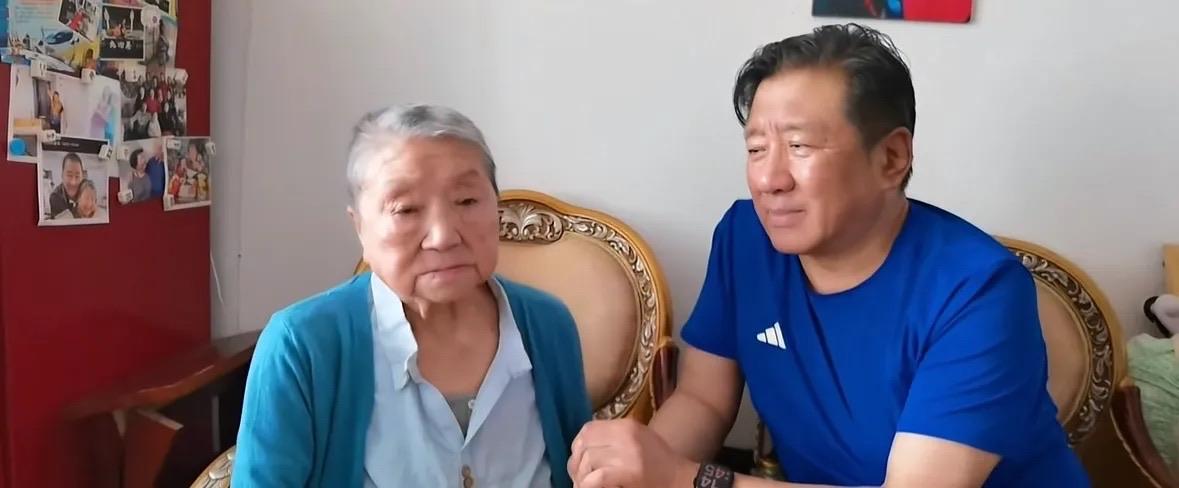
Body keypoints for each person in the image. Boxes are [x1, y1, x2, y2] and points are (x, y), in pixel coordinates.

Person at [568, 24, 1088, 488]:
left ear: (892, 157)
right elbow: (703, 400)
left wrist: (686, 479)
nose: (769, 180)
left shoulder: (977, 290)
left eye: (800, 146)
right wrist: (632, 472)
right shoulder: (745, 239)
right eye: (756, 149)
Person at [233, 104, 591, 487]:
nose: (443, 236)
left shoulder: (548, 324)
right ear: (360, 228)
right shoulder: (300, 344)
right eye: (405, 209)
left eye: (467, 201)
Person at [48, 152, 85, 217]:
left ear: (82, 177)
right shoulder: (55, 197)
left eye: (77, 176)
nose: (73, 182)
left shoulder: (87, 192)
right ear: (62, 175)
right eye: (69, 175)